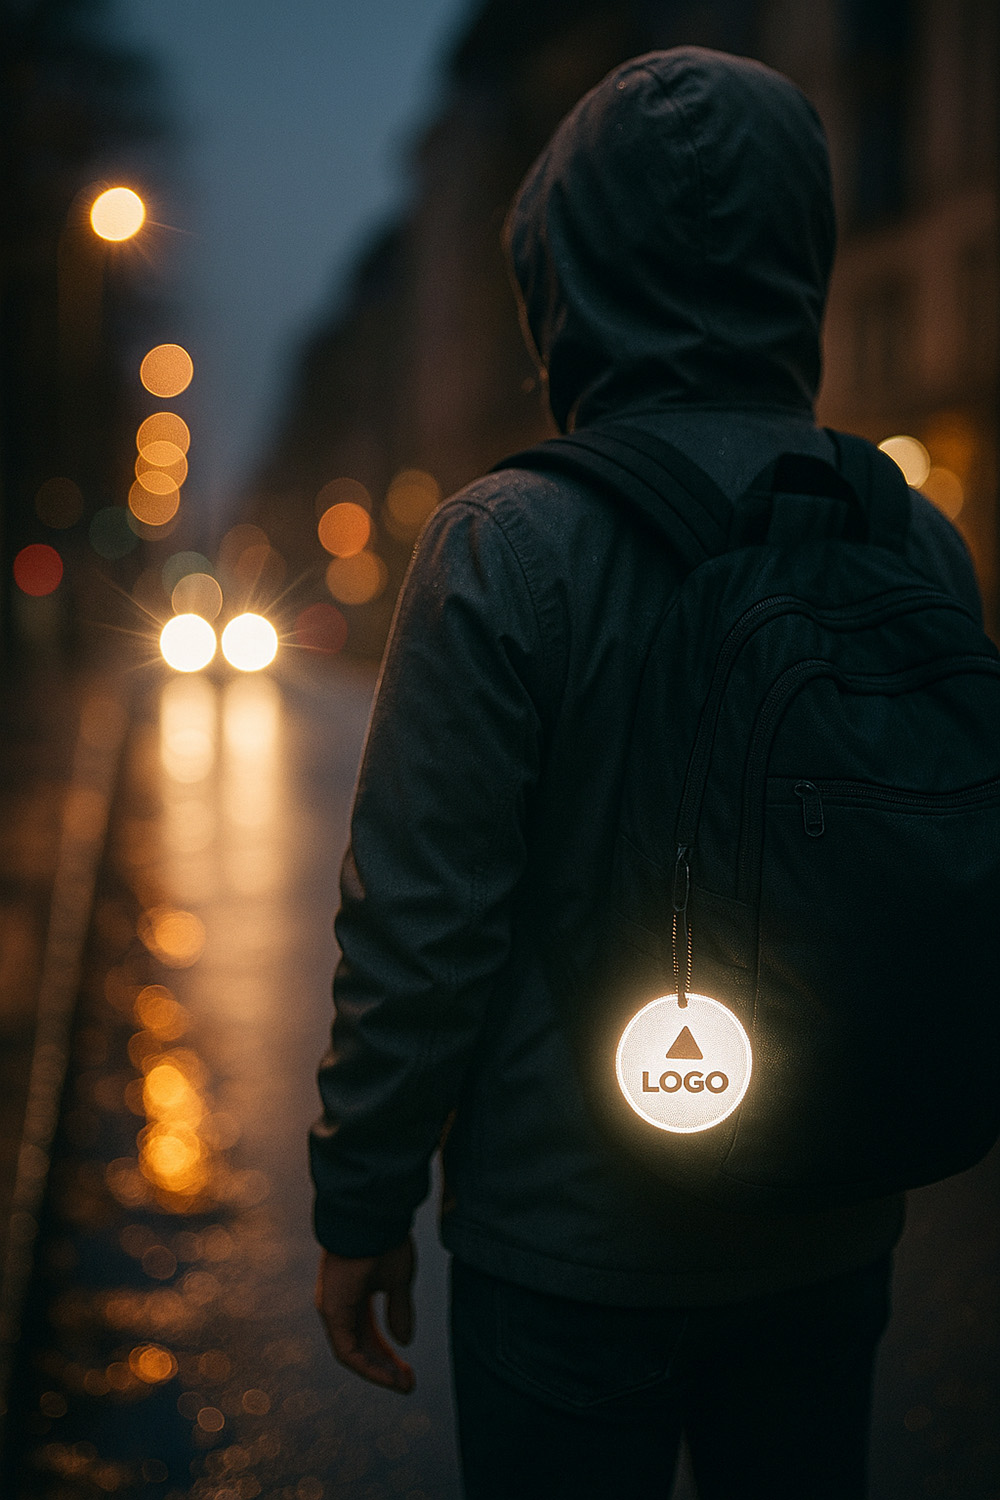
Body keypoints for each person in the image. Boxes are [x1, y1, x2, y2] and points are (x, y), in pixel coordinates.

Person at [310, 47, 981, 1499]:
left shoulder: (503, 543)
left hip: (568, 1246)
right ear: (801, 248)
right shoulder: (910, 536)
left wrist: (359, 1199)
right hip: (832, 1209)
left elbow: (419, 931)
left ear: (568, 268)